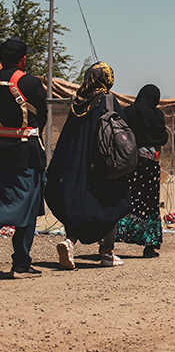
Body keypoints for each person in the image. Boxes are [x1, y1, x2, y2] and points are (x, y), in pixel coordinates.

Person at [46, 62, 133, 269]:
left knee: (80, 205)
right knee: (114, 201)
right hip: (102, 164)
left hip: (77, 166)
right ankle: (107, 253)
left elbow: (67, 137)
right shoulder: (107, 101)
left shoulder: (78, 104)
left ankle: (70, 242)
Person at [0, 38, 47, 278]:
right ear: (23, 59)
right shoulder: (30, 83)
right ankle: (21, 259)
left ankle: (22, 260)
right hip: (25, 152)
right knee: (25, 205)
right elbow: (43, 116)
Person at [115, 84, 169, 258]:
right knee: (150, 203)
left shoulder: (130, 112)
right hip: (151, 166)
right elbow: (164, 138)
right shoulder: (158, 115)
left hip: (132, 164)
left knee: (127, 197)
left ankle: (113, 239)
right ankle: (149, 245)